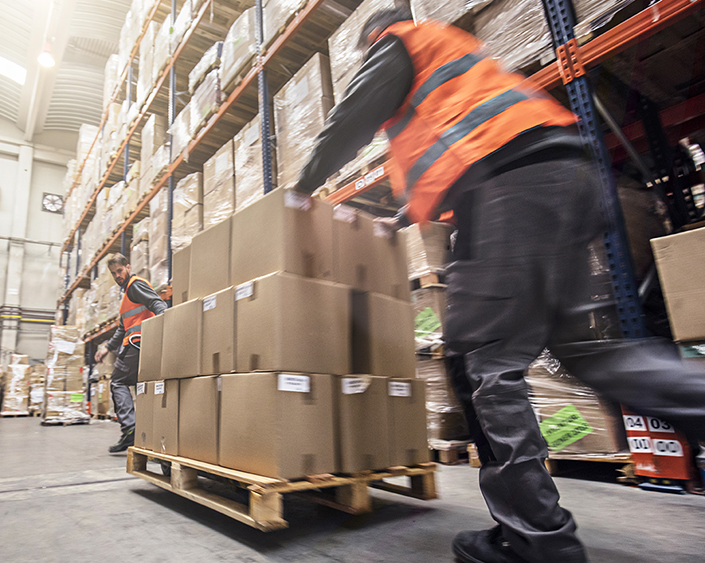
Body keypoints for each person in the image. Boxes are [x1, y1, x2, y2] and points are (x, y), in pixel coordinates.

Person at [293, 9, 705, 563]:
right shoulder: (451, 57)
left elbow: (352, 119)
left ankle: (535, 540)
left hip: (514, 188)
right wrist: (399, 219)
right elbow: (447, 150)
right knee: (597, 357)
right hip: (565, 178)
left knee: (483, 361)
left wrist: (300, 187)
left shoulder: (398, 44)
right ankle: (529, 530)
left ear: (372, 37)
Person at [95, 254, 167, 453]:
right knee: (140, 388)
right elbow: (122, 327)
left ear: (128, 267)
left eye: (119, 271)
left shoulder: (135, 285)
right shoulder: (126, 294)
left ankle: (129, 430)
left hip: (137, 344)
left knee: (118, 382)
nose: (117, 275)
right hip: (139, 343)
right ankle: (146, 433)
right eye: (113, 273)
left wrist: (166, 327)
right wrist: (107, 348)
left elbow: (158, 304)